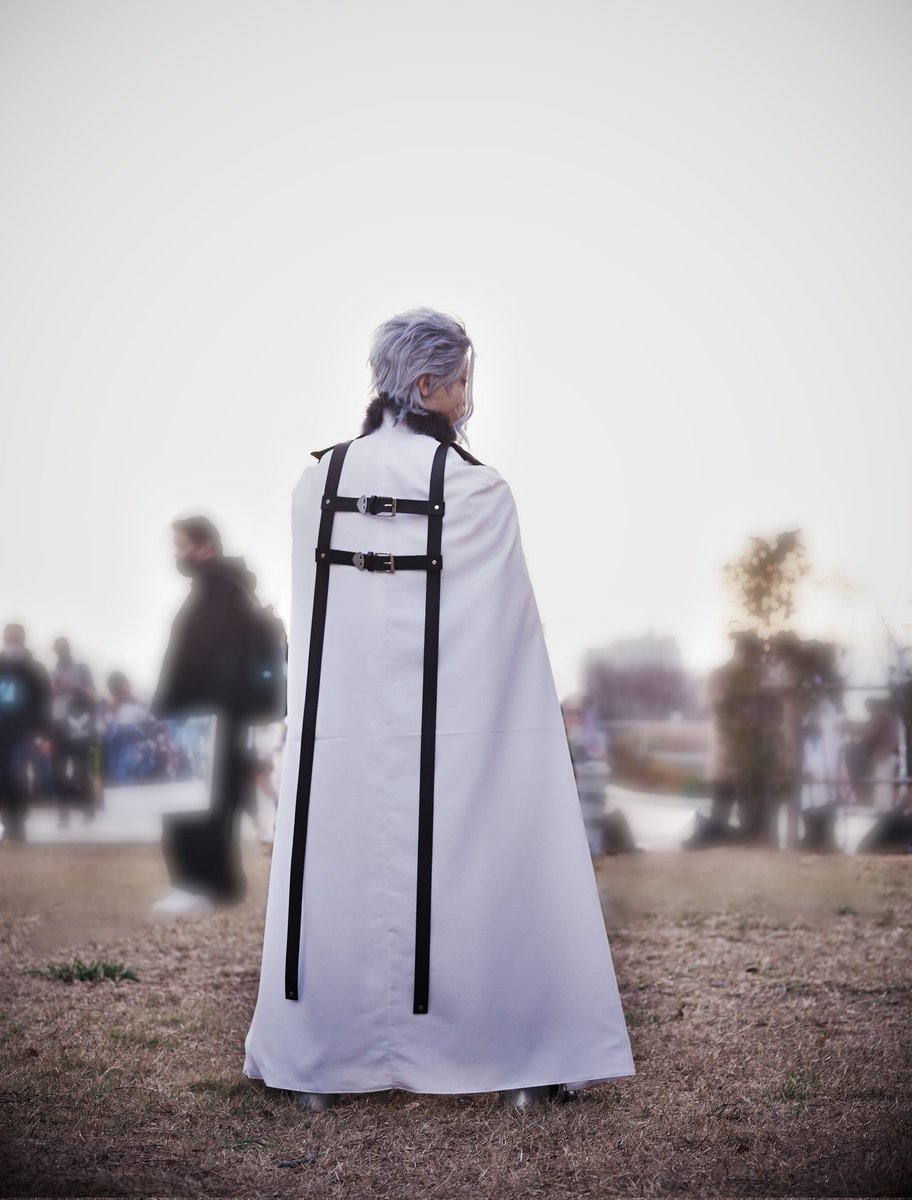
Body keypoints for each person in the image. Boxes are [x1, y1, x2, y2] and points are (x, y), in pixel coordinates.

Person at [243, 307, 636, 1110]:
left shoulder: (317, 484)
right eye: (461, 384)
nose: (468, 401)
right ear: (427, 385)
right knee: (481, 861)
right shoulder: (478, 490)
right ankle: (515, 1059)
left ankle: (320, 1062)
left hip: (341, 741)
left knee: (341, 868)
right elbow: (508, 648)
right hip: (456, 743)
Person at [149, 516, 263, 914]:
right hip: (216, 716)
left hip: (204, 717)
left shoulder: (219, 591)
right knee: (211, 803)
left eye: (180, 546)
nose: (176, 555)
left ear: (204, 546)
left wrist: (171, 707)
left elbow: (196, 659)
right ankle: (217, 885)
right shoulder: (222, 589)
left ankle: (199, 884)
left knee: (195, 804)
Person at [0, 623, 53, 841]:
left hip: (24, 731)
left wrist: (45, 732)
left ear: (23, 639)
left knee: (17, 772)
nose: (12, 642)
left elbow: (44, 701)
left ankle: (18, 818)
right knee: (2, 775)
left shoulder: (34, 668)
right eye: (9, 637)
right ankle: (8, 819)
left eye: (15, 637)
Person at [49, 636, 100, 828]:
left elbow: (92, 694)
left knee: (81, 768)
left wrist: (72, 688)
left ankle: (88, 807)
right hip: (57, 725)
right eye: (58, 648)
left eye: (63, 648)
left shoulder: (81, 669)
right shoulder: (51, 673)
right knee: (58, 771)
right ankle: (63, 810)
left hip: (79, 724)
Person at [799, 695, 847, 852]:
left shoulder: (832, 738)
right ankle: (811, 841)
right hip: (810, 783)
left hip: (827, 781)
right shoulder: (804, 741)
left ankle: (826, 843)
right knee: (809, 810)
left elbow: (837, 759)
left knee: (827, 813)